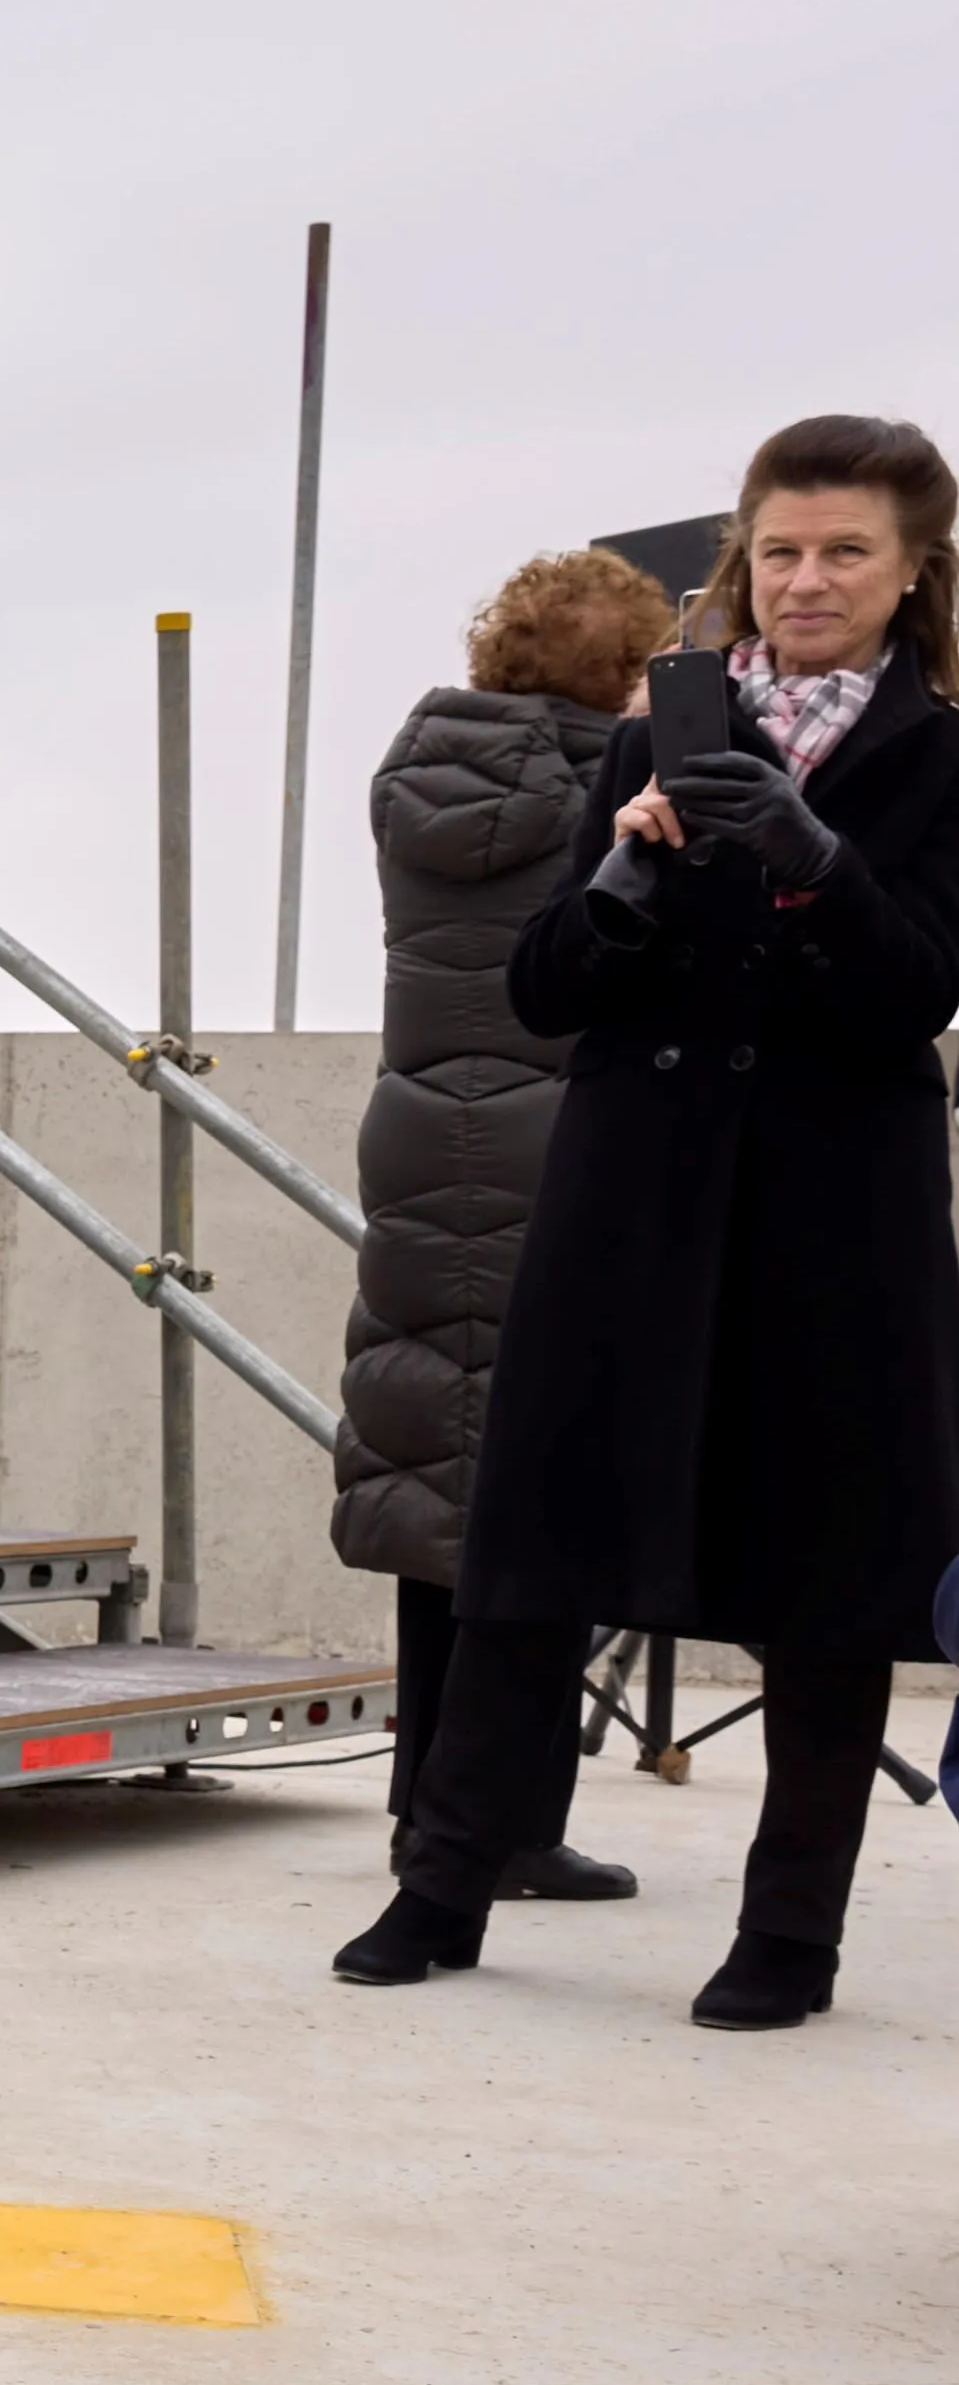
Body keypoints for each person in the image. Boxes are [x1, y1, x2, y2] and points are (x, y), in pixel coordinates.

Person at [335, 415, 959, 2029]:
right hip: (630, 1192)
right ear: (736, 566)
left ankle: (788, 1937)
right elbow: (543, 984)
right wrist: (615, 886)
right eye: (778, 550)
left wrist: (809, 858)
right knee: (534, 1542)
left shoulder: (945, 755)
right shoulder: (644, 740)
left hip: (837, 1215)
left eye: (843, 553)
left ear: (908, 574)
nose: (805, 580)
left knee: (824, 1569)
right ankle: (442, 1880)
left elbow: (919, 989)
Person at [327, 545, 676, 1906]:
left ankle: (429, 1815)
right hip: (558, 1145)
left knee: (438, 1495)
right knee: (542, 1503)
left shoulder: (418, 775)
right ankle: (506, 1826)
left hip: (420, 1142)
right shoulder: (612, 787)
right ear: (615, 675)